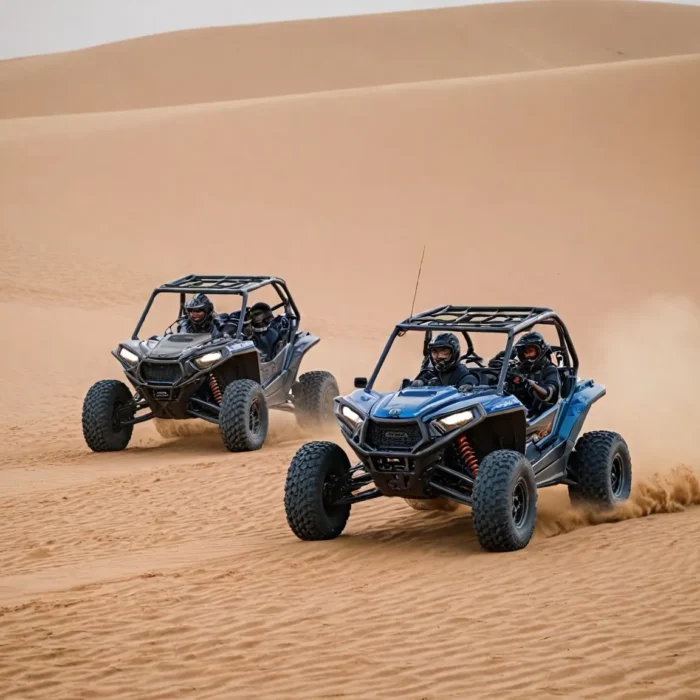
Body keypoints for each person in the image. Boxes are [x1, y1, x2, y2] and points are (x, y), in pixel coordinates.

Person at [508, 331, 561, 415]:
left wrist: (532, 385)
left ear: (540, 351)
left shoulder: (550, 369)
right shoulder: (520, 369)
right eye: (525, 352)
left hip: (541, 414)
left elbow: (550, 394)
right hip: (518, 411)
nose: (527, 355)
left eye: (530, 351)